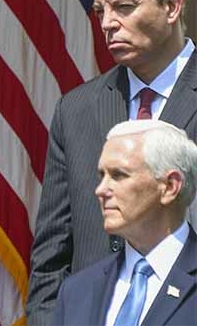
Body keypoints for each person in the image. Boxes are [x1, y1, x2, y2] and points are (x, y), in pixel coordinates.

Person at [27, 0, 197, 325]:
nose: (107, 23)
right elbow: (52, 255)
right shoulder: (76, 110)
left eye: (124, 7)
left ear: (171, 6)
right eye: (101, 10)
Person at [53, 120, 196, 326]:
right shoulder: (76, 291)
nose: (101, 190)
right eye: (102, 175)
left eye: (118, 175)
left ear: (170, 186)